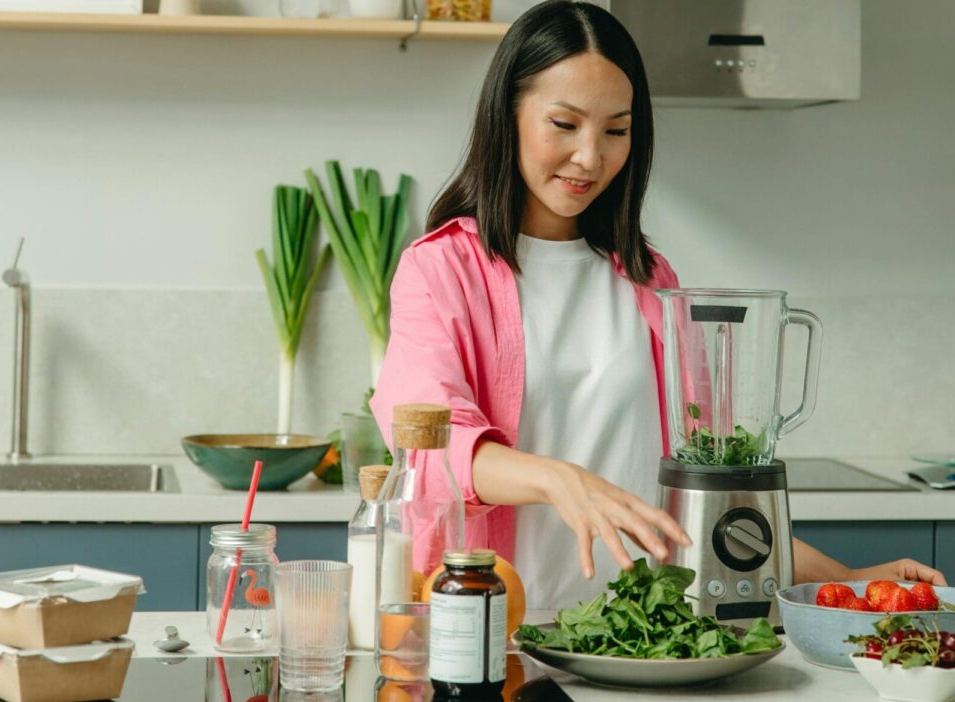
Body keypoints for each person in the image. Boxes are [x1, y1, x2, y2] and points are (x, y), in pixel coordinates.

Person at [369, 0, 946, 608]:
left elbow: (701, 501)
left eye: (616, 130)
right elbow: (429, 452)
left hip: (640, 636)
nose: (591, 157)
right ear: (506, 116)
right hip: (496, 637)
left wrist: (845, 580)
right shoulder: (440, 270)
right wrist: (559, 480)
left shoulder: (647, 278)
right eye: (564, 125)